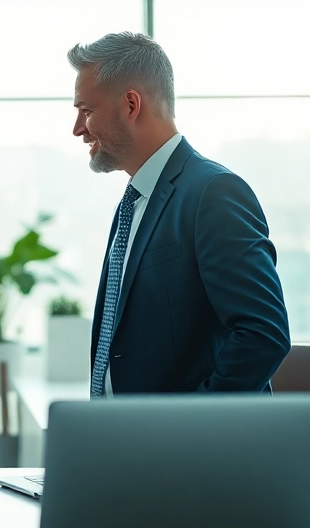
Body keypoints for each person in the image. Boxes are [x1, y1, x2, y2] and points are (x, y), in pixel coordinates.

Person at [67, 32, 291, 396]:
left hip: (185, 447)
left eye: (86, 111)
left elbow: (263, 334)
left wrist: (188, 427)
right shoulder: (134, 201)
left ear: (130, 105)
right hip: (128, 440)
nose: (77, 128)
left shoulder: (213, 193)